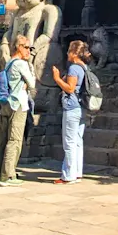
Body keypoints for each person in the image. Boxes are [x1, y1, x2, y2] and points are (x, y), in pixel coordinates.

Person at [0, 34, 35, 187]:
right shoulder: (21, 64)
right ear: (19, 47)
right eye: (27, 48)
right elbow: (33, 82)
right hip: (18, 104)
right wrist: (30, 68)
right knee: (14, 140)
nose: (29, 51)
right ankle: (7, 175)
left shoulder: (9, 62)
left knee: (2, 140)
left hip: (6, 103)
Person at [52, 40, 91, 185]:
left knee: (69, 142)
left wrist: (57, 78)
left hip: (72, 107)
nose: (67, 53)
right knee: (78, 141)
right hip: (82, 107)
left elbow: (69, 88)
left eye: (69, 51)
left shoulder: (74, 68)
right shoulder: (84, 67)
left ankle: (68, 175)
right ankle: (77, 172)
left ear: (75, 53)